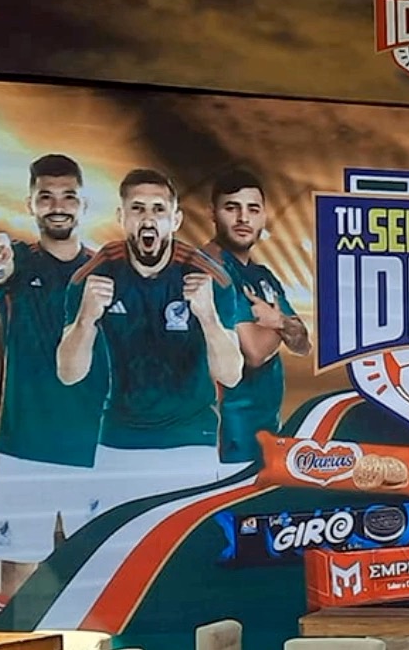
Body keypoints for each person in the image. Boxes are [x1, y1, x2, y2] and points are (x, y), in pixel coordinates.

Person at [59, 168, 246, 503]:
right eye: (138, 208)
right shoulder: (93, 276)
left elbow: (231, 375)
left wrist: (207, 316)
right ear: (122, 217)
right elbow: (69, 373)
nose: (148, 219)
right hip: (119, 441)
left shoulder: (210, 278)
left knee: (187, 537)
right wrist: (86, 320)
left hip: (190, 442)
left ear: (175, 219)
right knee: (115, 538)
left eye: (158, 209)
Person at [0, 154, 109, 620]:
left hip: (93, 451)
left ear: (83, 205)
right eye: (46, 196)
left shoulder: (104, 271)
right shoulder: (17, 263)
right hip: (26, 449)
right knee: (16, 576)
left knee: (96, 572)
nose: (58, 205)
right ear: (30, 204)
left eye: (68, 196)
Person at [205, 168, 312, 464]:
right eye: (232, 208)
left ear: (263, 217)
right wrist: (283, 325)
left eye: (252, 209)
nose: (243, 218)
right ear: (212, 213)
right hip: (227, 433)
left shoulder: (262, 274)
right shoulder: (212, 270)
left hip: (265, 427)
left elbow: (303, 344)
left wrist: (277, 322)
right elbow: (252, 353)